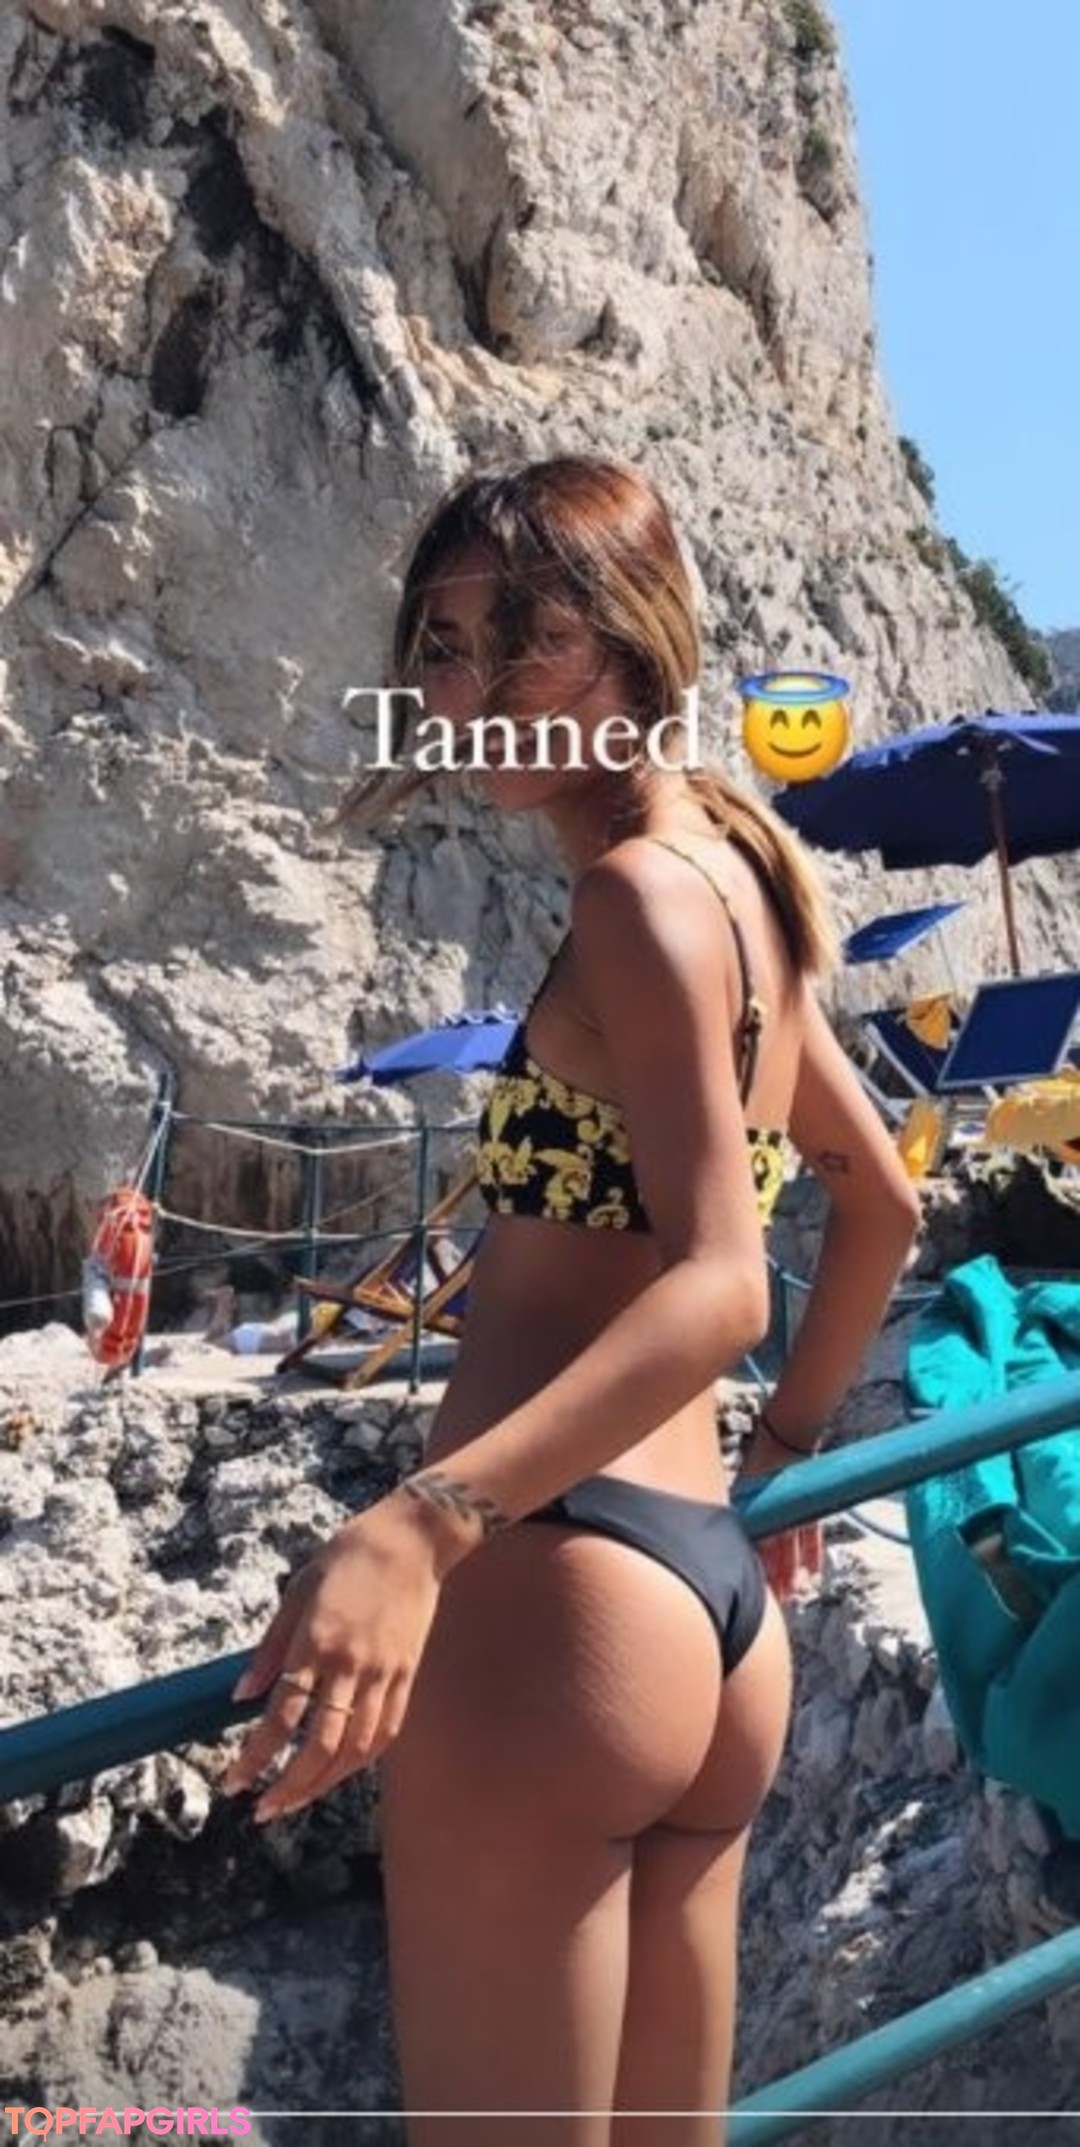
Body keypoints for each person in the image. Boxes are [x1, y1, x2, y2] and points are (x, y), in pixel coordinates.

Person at [221, 457, 922, 2143]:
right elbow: (879, 1203)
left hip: (556, 1599)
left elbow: (725, 1281)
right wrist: (787, 1459)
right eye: (445, 646)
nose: (471, 690)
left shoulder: (633, 897)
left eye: (525, 641)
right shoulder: (734, 875)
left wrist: (423, 1525)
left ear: (632, 643)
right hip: (706, 1614)